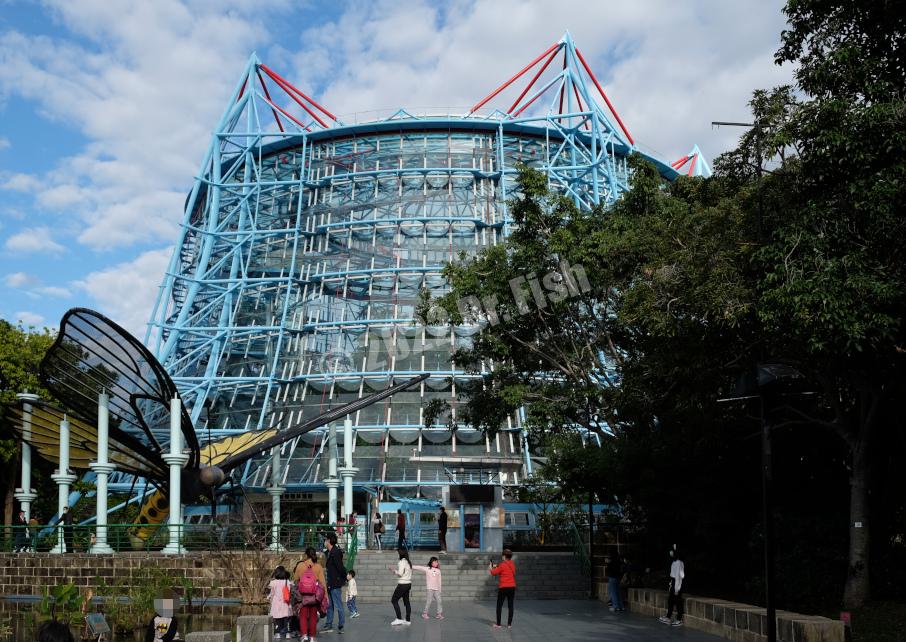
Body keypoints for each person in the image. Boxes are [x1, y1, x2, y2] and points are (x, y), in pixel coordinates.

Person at [295, 547, 326, 642]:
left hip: (303, 595)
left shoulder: (300, 566)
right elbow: (322, 583)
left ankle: (304, 635)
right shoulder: (318, 567)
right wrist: (325, 597)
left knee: (303, 615)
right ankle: (312, 637)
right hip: (314, 596)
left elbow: (296, 580)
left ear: (306, 555)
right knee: (313, 616)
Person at [321, 533, 346, 635]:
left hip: (335, 582)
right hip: (330, 582)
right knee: (330, 605)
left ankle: (341, 625)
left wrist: (345, 577)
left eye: (326, 540)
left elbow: (340, 567)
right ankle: (329, 623)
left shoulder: (335, 552)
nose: (325, 542)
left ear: (329, 541)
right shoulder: (330, 552)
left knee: (338, 605)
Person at [489, 549, 516, 629]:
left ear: (504, 556)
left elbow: (493, 573)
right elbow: (512, 572)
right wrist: (497, 567)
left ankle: (498, 624)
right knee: (510, 605)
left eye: (502, 555)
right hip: (512, 587)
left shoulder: (502, 564)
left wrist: (491, 567)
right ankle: (509, 624)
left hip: (504, 587)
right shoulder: (512, 564)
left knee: (499, 605)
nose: (502, 557)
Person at [659, 545, 685, 627]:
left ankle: (679, 619)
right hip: (673, 582)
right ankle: (668, 617)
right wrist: (671, 585)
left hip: (677, 584)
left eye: (672, 552)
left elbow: (679, 577)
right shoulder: (674, 562)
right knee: (670, 601)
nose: (671, 554)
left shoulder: (679, 563)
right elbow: (673, 576)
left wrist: (676, 589)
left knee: (678, 602)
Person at [388, 547, 412, 626]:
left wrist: (394, 570)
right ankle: (407, 620)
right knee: (407, 602)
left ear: (401, 553)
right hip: (408, 584)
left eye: (398, 552)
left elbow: (400, 573)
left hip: (403, 584)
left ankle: (399, 619)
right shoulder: (408, 562)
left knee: (394, 600)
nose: (397, 554)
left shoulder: (401, 562)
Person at [268, 565, 293, 640]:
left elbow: (272, 593)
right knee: (286, 618)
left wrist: (270, 600)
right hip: (285, 601)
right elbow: (289, 592)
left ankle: (277, 633)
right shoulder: (287, 582)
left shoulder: (273, 583)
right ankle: (287, 633)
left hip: (276, 602)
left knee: (277, 619)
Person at [605, 547, 625, 612]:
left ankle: (615, 606)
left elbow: (609, 569)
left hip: (612, 577)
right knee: (618, 592)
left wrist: (607, 563)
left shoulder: (611, 560)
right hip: (618, 577)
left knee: (613, 592)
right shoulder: (619, 560)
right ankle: (621, 606)